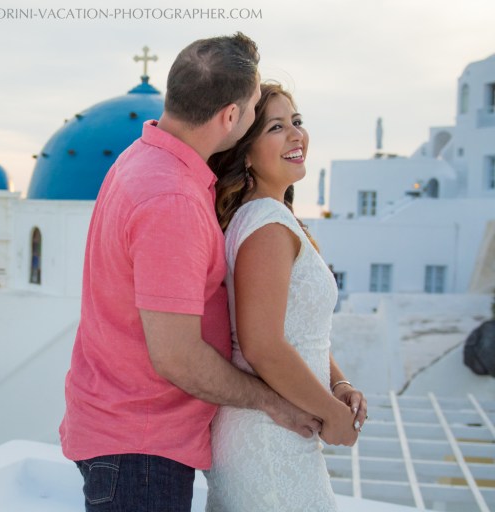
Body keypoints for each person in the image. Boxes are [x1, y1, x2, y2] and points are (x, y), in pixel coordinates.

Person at [60, 33, 327, 512]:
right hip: (139, 452)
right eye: (251, 114)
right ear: (230, 117)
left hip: (127, 439)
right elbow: (177, 357)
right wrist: (271, 401)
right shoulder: (173, 200)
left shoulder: (141, 159)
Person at [204, 82, 368, 511]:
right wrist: (333, 416)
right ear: (245, 152)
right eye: (277, 127)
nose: (296, 135)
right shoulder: (267, 226)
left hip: (276, 430)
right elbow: (263, 346)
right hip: (268, 439)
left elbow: (300, 328)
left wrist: (338, 384)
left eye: (297, 121)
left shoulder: (268, 219)